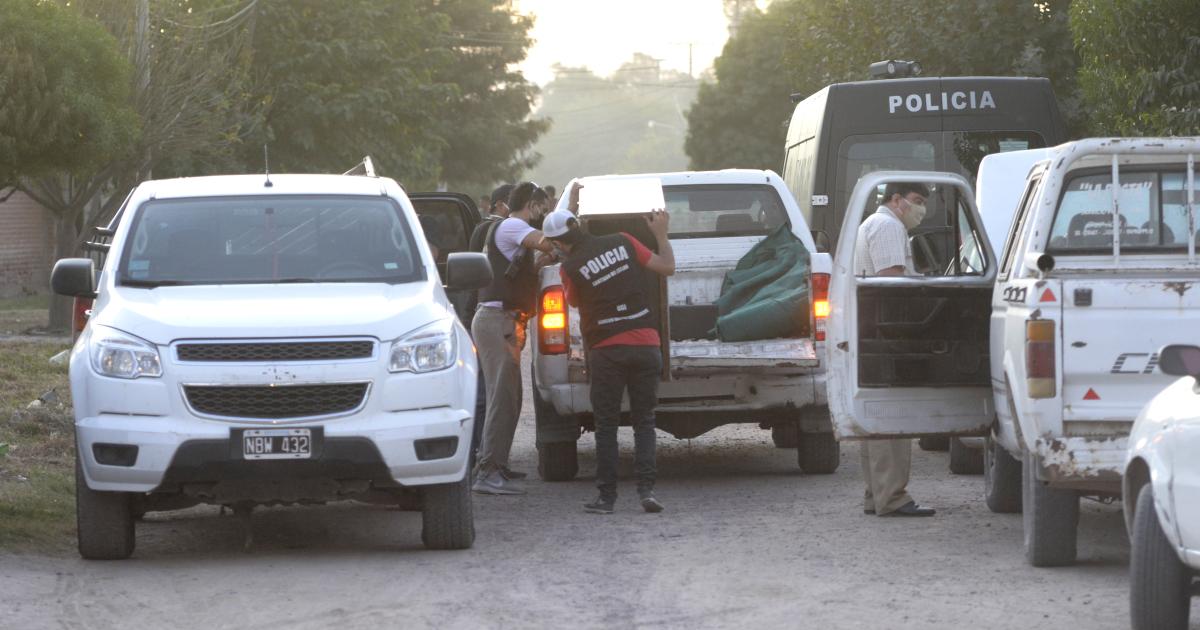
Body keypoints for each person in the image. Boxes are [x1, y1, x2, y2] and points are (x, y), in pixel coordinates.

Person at [541, 187, 675, 514]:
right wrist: (661, 234)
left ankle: (607, 498)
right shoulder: (625, 240)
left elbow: (573, 301)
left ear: (559, 244)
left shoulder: (569, 268)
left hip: (607, 350)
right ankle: (647, 492)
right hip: (646, 344)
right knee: (645, 421)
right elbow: (667, 267)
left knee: (607, 426)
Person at [854, 181, 936, 517]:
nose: (920, 209)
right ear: (896, 199)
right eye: (916, 201)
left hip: (871, 330)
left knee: (875, 417)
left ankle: (878, 494)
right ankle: (894, 497)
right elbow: (892, 282)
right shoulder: (888, 226)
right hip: (887, 331)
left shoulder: (872, 224)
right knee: (892, 415)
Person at [471, 182, 554, 495]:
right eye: (540, 206)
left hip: (502, 322)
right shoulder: (513, 225)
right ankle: (487, 472)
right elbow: (545, 243)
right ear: (530, 203)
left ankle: (496, 464)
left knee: (510, 398)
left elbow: (525, 267)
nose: (542, 213)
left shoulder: (512, 232)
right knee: (500, 399)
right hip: (497, 322)